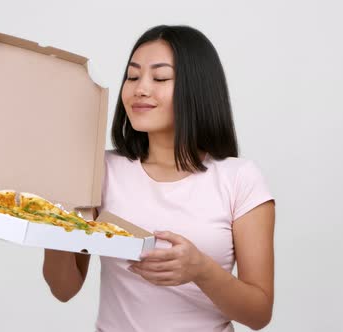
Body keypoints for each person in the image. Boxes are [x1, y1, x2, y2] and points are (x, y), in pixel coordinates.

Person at [43, 25, 275, 332]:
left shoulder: (241, 179)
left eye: (160, 78)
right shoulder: (100, 170)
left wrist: (201, 270)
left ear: (197, 89)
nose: (140, 89)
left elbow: (259, 315)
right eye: (133, 76)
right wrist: (52, 220)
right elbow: (64, 289)